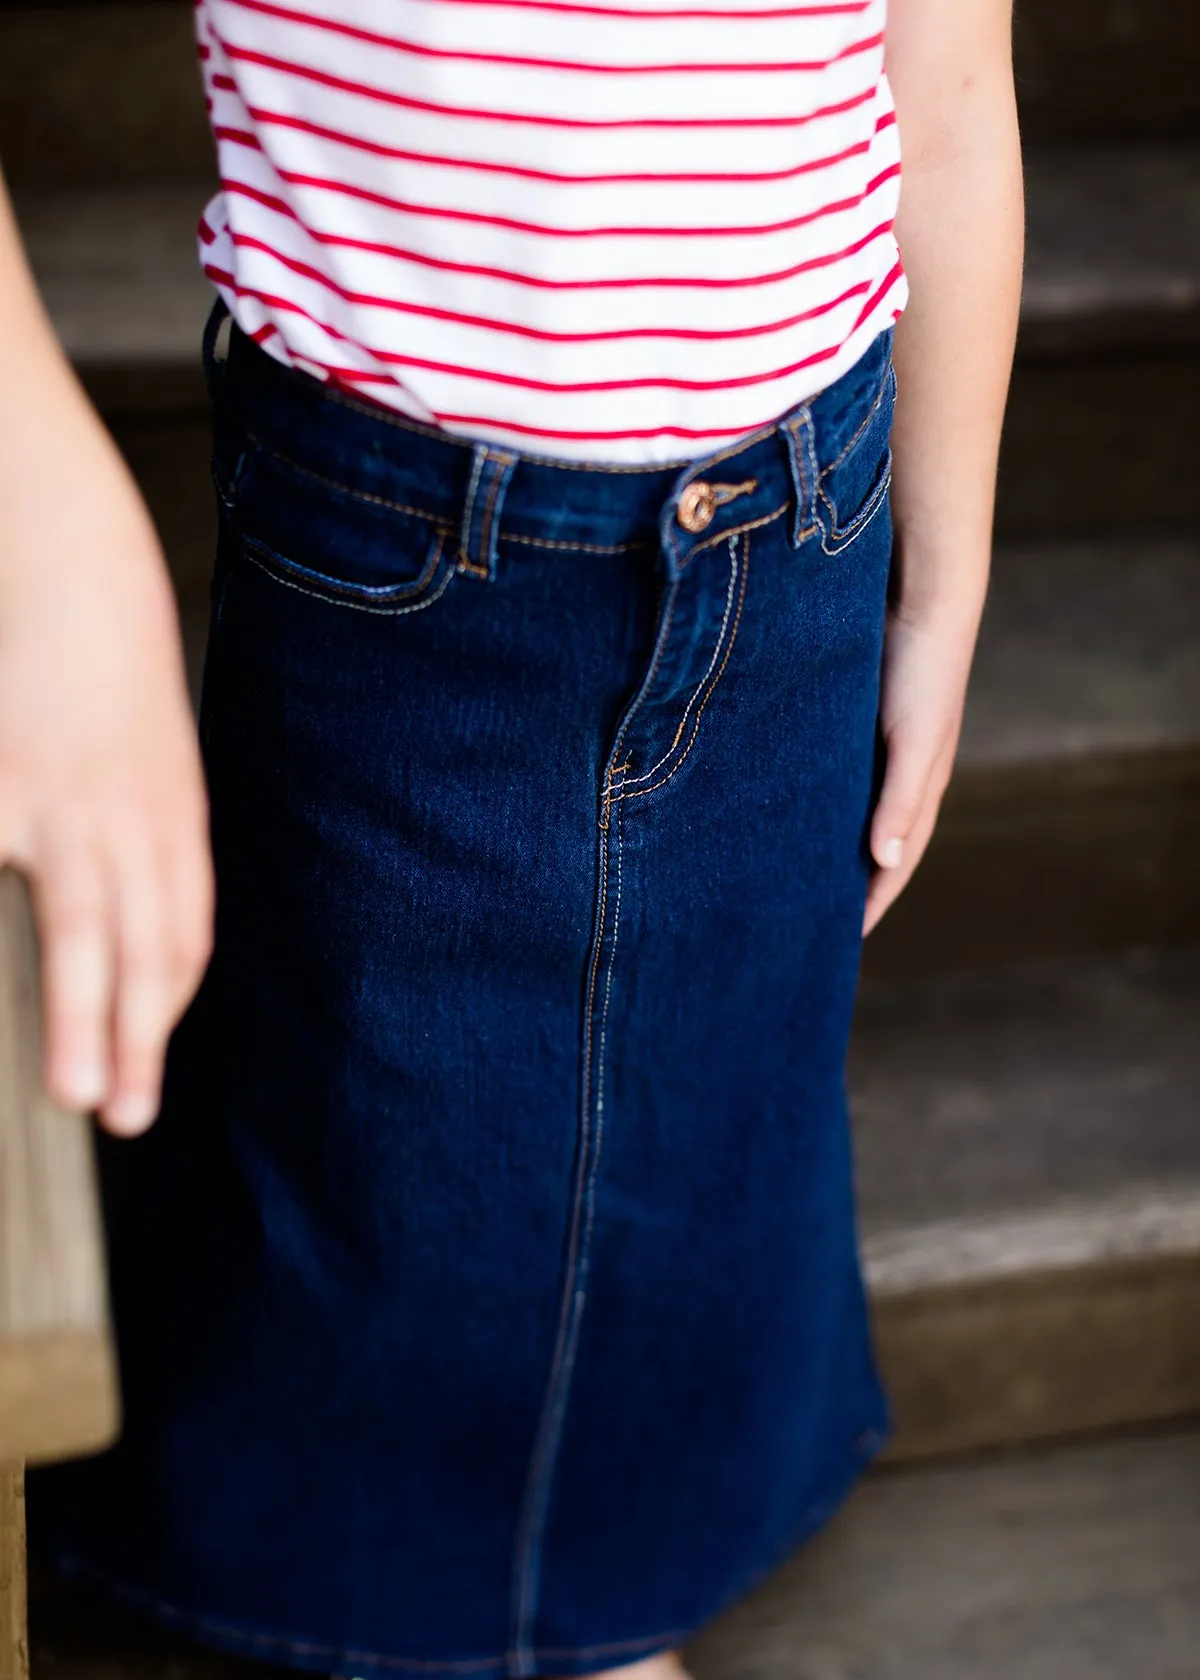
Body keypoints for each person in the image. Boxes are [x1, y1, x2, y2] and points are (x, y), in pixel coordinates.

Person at [13, 0, 1022, 1676]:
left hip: (808, 516)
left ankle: (601, 1589)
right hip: (405, 545)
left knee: (713, 1117)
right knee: (393, 1141)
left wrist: (948, 575)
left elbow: (954, 81)